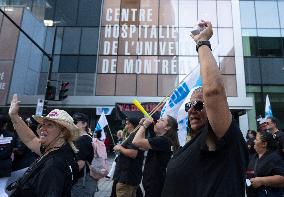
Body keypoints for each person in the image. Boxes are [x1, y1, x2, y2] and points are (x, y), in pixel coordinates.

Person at [161, 20, 249, 196]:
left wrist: (202, 42)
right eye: (189, 105)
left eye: (199, 104)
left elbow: (214, 91)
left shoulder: (222, 137)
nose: (192, 110)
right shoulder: (193, 140)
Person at [7, 94, 79, 196]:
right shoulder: (56, 151)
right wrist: (14, 116)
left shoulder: (54, 165)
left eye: (50, 125)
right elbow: (30, 139)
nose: (42, 128)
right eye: (42, 124)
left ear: (63, 132)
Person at [132, 115, 180, 197]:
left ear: (168, 127)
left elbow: (136, 142)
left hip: (156, 187)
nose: (157, 120)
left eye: (162, 120)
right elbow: (141, 145)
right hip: (154, 186)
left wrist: (144, 126)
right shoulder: (162, 140)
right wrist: (142, 126)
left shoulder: (164, 140)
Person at [112, 117, 144, 197]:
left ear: (131, 125)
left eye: (127, 124)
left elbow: (133, 153)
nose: (125, 126)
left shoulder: (134, 135)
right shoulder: (132, 135)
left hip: (126, 178)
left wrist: (120, 147)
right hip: (127, 177)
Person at [246, 130, 284, 197]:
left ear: (264, 144)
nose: (254, 141)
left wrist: (262, 180)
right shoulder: (253, 157)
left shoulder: (274, 158)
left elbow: (282, 178)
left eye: (257, 139)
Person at [71, 112, 97, 197]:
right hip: (87, 179)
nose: (72, 124)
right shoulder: (89, 137)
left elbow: (80, 164)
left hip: (82, 181)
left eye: (75, 122)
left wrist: (66, 176)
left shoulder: (82, 140)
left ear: (84, 124)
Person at [0, 114, 16, 197]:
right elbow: (13, 149)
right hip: (5, 166)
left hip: (5, 164)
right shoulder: (11, 136)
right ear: (5, 124)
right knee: (2, 191)